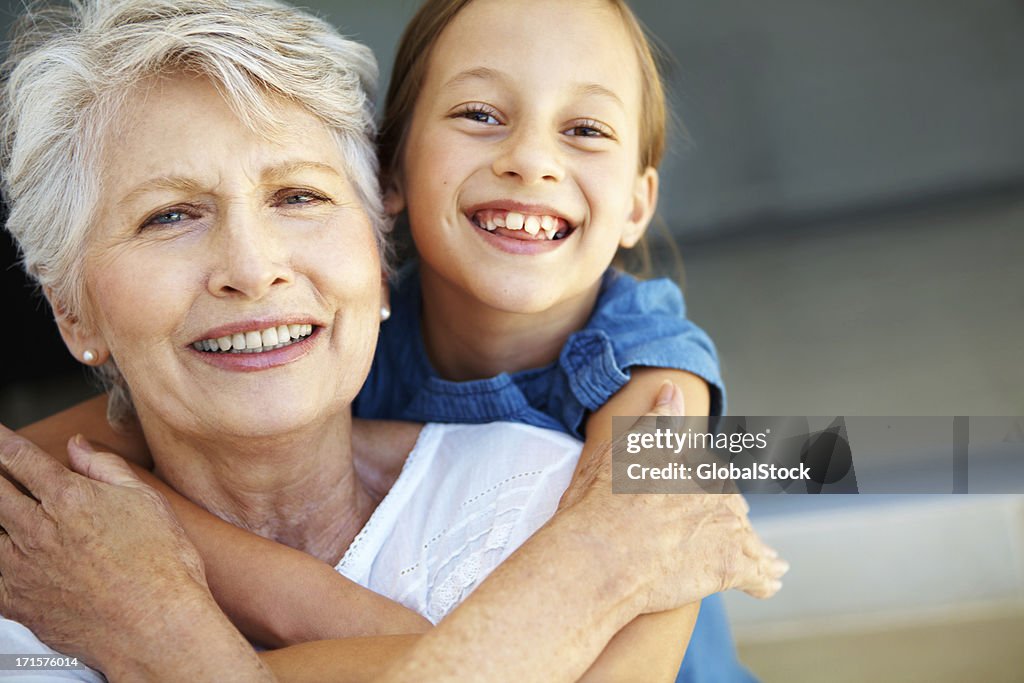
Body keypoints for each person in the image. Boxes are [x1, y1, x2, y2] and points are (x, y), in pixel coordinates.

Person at [0, 0, 785, 680]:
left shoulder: (649, 362)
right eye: (480, 115)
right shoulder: (334, 342)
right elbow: (51, 462)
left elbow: (809, 459)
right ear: (392, 179)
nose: (532, 162)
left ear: (640, 205)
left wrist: (170, 642)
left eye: (586, 129)